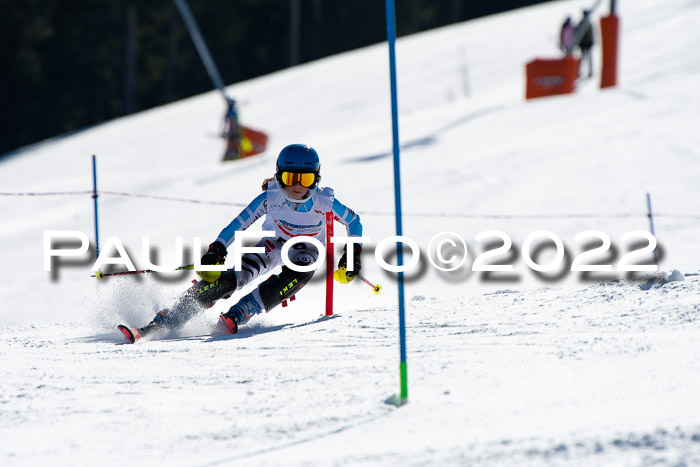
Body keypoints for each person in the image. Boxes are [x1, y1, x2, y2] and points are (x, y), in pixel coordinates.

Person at [118, 144, 363, 343]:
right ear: (280, 177)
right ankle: (168, 318)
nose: (297, 186)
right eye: (290, 178)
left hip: (306, 251)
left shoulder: (324, 201)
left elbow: (354, 221)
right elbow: (238, 224)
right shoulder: (270, 197)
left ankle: (243, 310)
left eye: (305, 179)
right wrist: (218, 248)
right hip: (274, 242)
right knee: (233, 277)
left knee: (298, 273)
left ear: (316, 179)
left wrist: (352, 254)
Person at [575, 10, 595, 77]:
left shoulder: (584, 23)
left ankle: (588, 71)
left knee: (586, 58)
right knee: (584, 58)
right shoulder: (586, 23)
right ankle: (581, 71)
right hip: (584, 44)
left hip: (585, 43)